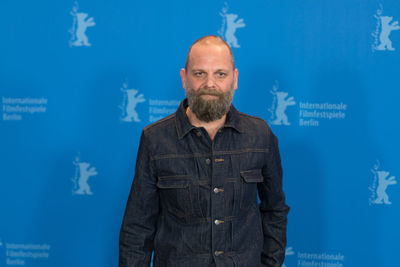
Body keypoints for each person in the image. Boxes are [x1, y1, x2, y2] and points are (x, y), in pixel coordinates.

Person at [119, 35, 290, 267]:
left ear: (235, 79)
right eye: (200, 73)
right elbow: (137, 227)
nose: (210, 84)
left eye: (220, 74)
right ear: (184, 78)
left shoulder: (260, 135)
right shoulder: (155, 139)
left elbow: (275, 210)